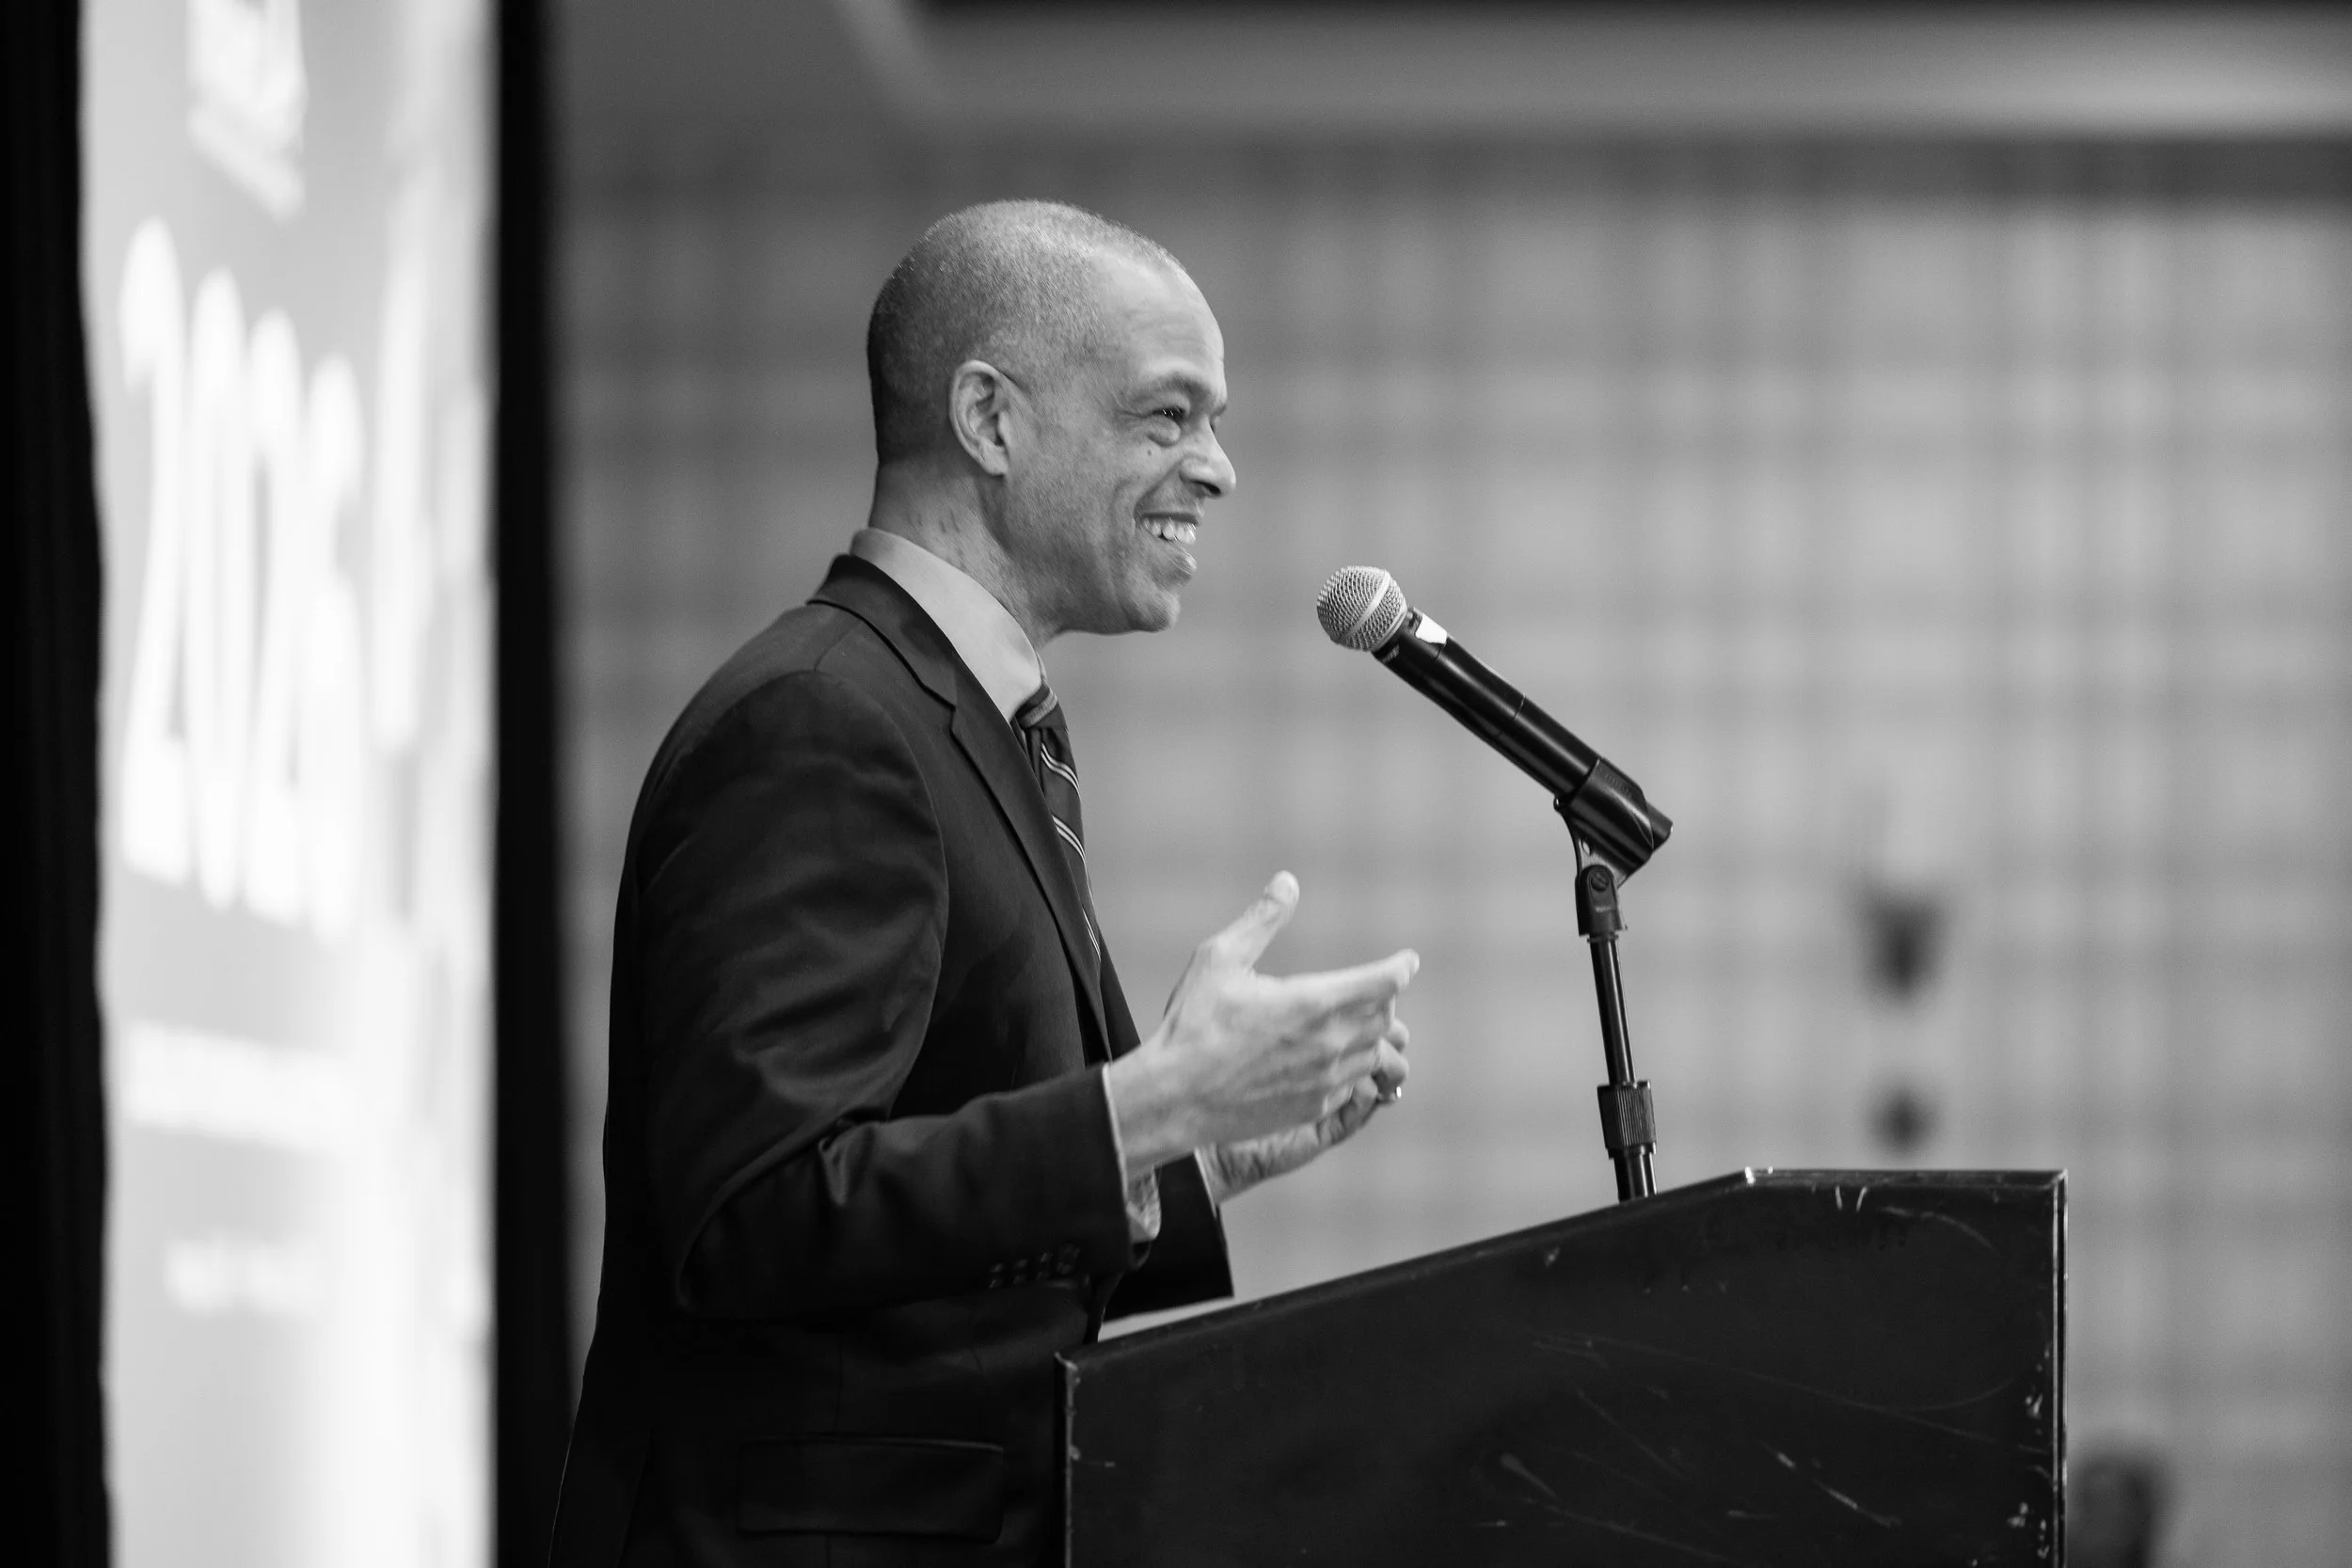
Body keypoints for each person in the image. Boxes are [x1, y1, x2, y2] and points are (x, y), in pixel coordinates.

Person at [548, 200, 1418, 1568]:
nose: (1219, 469)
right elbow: (759, 1214)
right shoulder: (825, 722)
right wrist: (1144, 1102)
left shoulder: (963, 722)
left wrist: (1184, 1152)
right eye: (1169, 416)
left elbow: (929, 1191)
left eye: (1216, 421)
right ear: (991, 420)